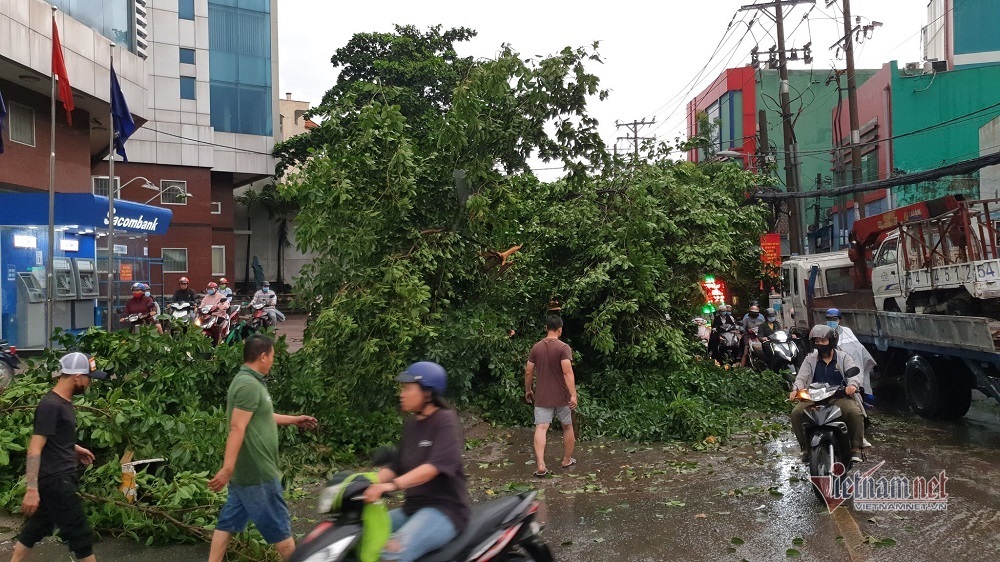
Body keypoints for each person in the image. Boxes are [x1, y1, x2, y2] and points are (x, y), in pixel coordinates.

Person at [207, 335, 318, 562]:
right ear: (263, 356)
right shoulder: (248, 385)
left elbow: (264, 416)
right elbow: (237, 427)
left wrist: (295, 419)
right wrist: (227, 469)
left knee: (227, 524)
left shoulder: (250, 382)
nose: (273, 361)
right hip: (258, 472)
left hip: (246, 472)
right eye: (273, 357)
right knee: (282, 534)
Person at [362, 362, 471, 562]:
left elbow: (432, 468)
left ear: (427, 393)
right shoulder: (412, 425)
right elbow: (396, 466)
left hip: (444, 511)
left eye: (407, 388)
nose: (401, 394)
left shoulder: (445, 421)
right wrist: (362, 483)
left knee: (392, 552)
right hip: (411, 510)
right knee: (359, 534)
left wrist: (390, 486)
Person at [11, 352, 108, 562]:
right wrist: (31, 489)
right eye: (88, 377)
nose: (89, 383)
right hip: (58, 481)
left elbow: (53, 437)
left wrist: (73, 448)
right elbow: (35, 449)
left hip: (58, 478)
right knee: (81, 536)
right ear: (76, 377)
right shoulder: (51, 406)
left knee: (38, 526)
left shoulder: (62, 402)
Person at [789, 325, 865, 463]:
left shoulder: (843, 358)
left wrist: (852, 385)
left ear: (831, 341)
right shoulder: (810, 359)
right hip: (814, 397)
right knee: (796, 413)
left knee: (854, 413)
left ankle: (856, 448)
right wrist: (796, 389)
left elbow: (853, 376)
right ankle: (805, 448)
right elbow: (801, 378)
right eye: (817, 341)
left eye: (823, 341)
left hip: (838, 396)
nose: (820, 344)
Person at [524, 315, 577, 477]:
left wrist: (528, 389)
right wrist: (573, 395)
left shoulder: (536, 348)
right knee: (567, 426)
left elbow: (528, 372)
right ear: (560, 330)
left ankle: (541, 464)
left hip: (542, 395)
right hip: (562, 395)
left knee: (541, 428)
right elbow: (567, 372)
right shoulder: (563, 348)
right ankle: (566, 460)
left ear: (546, 328)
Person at [825, 308, 877, 448]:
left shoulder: (847, 332)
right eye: (830, 320)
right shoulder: (822, 333)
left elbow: (858, 352)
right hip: (827, 374)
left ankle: (858, 441)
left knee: (856, 407)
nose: (832, 322)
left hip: (847, 373)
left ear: (839, 320)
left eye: (834, 320)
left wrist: (854, 381)